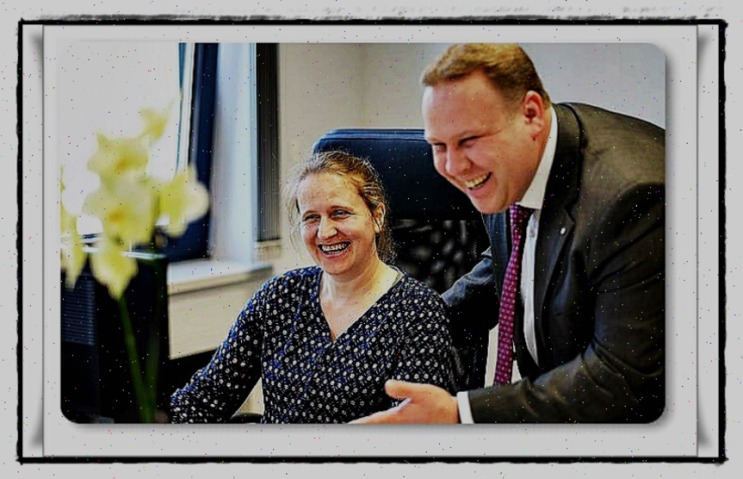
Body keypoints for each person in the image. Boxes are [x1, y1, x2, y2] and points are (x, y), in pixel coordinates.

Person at [352, 43, 665, 424]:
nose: (454, 167)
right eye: (438, 146)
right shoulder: (512, 164)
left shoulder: (632, 198)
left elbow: (621, 380)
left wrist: (461, 413)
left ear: (530, 114)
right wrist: (406, 326)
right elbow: (512, 259)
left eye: (469, 141)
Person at [170, 151, 457, 424]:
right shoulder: (279, 296)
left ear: (377, 216)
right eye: (311, 218)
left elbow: (412, 437)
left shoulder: (418, 312)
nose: (325, 232)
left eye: (340, 213)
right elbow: (202, 401)